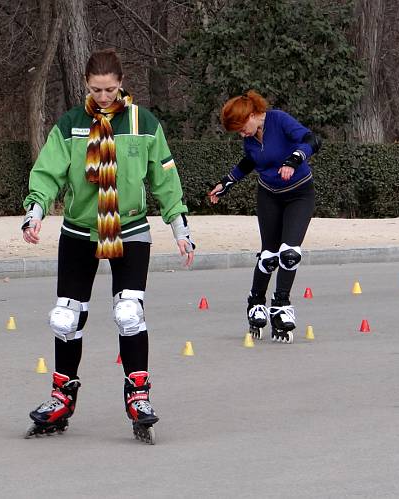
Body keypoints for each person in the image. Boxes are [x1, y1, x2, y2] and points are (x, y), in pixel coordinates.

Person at [20, 48, 195, 444]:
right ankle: (61, 397)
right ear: (86, 84)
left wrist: (179, 227)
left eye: (111, 89)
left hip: (129, 227)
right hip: (81, 230)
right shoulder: (70, 125)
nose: (104, 97)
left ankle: (138, 396)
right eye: (97, 90)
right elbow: (48, 173)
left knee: (129, 313)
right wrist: (35, 210)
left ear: (121, 84)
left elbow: (165, 179)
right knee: (66, 318)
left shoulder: (143, 123)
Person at [208, 90, 320, 344]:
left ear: (254, 115)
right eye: (236, 131)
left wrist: (294, 159)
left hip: (300, 194)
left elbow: (312, 140)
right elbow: (250, 161)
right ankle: (256, 301)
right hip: (269, 195)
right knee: (269, 256)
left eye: (241, 127)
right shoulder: (250, 138)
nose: (241, 134)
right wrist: (227, 182)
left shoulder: (278, 120)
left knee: (289, 252)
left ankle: (281, 305)